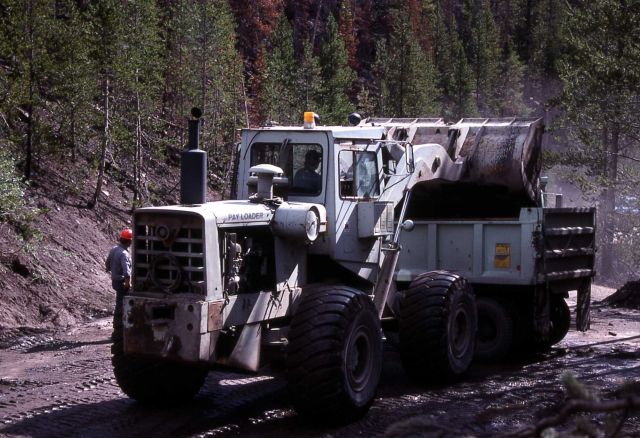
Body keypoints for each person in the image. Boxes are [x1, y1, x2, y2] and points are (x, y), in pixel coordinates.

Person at [106, 228, 132, 340]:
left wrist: (113, 271)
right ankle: (118, 330)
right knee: (122, 305)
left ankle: (117, 328)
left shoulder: (114, 249)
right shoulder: (124, 254)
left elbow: (107, 264)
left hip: (115, 281)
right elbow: (127, 273)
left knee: (118, 303)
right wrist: (128, 285)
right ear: (129, 241)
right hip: (122, 282)